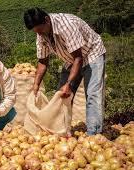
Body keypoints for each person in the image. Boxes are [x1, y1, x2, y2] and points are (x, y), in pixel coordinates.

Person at [24, 7, 106, 135]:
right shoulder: (41, 34)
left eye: (40, 30)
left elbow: (78, 58)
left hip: (91, 54)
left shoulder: (66, 26)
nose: (39, 34)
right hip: (71, 59)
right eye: (36, 31)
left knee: (92, 94)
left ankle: (93, 135)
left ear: (47, 20)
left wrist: (69, 84)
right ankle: (61, 132)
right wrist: (36, 85)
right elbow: (42, 62)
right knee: (61, 95)